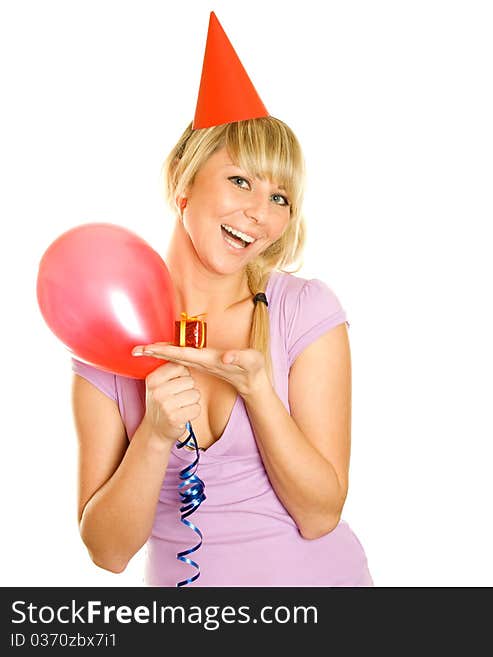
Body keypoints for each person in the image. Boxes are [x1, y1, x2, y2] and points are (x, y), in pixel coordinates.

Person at [70, 12, 372, 587]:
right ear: (184, 178)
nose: (262, 213)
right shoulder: (105, 334)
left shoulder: (303, 313)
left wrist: (259, 393)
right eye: (241, 181)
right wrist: (155, 435)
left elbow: (320, 513)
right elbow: (107, 551)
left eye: (280, 196)